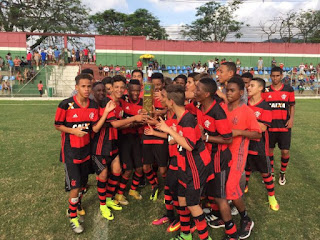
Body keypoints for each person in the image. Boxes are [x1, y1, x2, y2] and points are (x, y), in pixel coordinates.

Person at [156, 84, 212, 240]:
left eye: (165, 98)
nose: (163, 100)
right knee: (181, 200)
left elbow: (189, 145)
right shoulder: (181, 117)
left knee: (193, 204)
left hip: (194, 167)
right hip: (184, 164)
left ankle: (205, 238)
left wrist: (168, 131)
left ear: (172, 102)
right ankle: (186, 234)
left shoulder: (187, 119)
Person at [54, 73, 102, 234]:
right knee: (75, 187)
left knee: (82, 185)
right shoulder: (65, 105)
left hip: (86, 151)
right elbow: (58, 125)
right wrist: (73, 131)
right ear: (76, 88)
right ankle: (73, 217)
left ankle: (73, 208)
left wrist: (107, 112)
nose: (87, 89)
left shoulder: (93, 106)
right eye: (83, 86)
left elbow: (94, 128)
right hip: (71, 152)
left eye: (89, 86)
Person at [222, 76, 262, 239]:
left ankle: (246, 219)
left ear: (241, 92)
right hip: (222, 153)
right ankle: (225, 216)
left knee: (230, 189)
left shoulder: (246, 111)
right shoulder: (223, 108)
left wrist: (238, 132)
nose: (229, 93)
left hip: (237, 154)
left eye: (232, 90)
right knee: (224, 188)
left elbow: (257, 134)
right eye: (227, 90)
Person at [245, 77, 279, 211]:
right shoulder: (244, 103)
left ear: (260, 88)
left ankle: (271, 197)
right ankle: (244, 186)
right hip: (244, 143)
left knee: (265, 173)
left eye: (252, 85)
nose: (248, 87)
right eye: (248, 85)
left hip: (259, 146)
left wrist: (247, 118)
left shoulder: (265, 106)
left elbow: (263, 128)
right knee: (245, 168)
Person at [115, 80, 146, 205]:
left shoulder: (144, 103)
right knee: (127, 169)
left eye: (137, 90)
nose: (135, 93)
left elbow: (144, 120)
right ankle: (119, 193)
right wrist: (132, 123)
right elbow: (118, 123)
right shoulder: (122, 101)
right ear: (128, 90)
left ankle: (132, 190)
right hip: (124, 139)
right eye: (132, 90)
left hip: (137, 138)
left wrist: (135, 123)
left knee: (139, 168)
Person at [262, 67, 295, 185]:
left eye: (277, 76)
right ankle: (271, 172)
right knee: (269, 150)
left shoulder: (289, 89)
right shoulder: (265, 91)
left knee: (285, 151)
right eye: (273, 76)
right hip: (270, 127)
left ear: (281, 76)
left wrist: (291, 119)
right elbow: (262, 107)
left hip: (284, 126)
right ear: (270, 76)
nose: (275, 78)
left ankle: (282, 172)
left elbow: (292, 105)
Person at [142, 73, 168, 201]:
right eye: (154, 85)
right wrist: (152, 113)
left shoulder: (166, 94)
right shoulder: (147, 92)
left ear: (163, 84)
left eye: (159, 85)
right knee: (146, 166)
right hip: (148, 132)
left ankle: (168, 191)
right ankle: (155, 185)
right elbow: (146, 113)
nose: (156, 87)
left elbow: (170, 110)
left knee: (163, 169)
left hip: (161, 134)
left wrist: (159, 112)